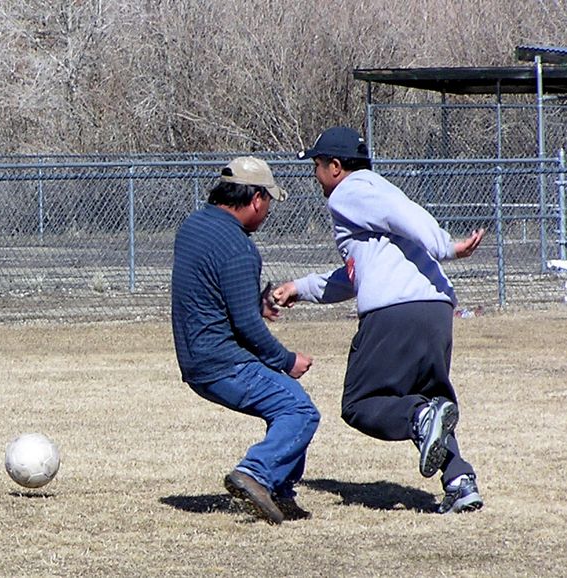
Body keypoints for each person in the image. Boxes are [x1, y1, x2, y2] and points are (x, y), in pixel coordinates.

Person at [272, 127, 484, 514]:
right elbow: (357, 275)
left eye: (317, 165)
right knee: (432, 402)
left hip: (395, 312)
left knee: (361, 403)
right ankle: (460, 481)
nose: (315, 174)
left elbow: (402, 213)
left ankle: (421, 419)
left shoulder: (352, 191)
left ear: (335, 167)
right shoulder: (365, 200)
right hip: (433, 310)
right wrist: (299, 289)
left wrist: (445, 246)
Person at [171, 156, 320, 525]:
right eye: (268, 202)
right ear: (256, 199)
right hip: (223, 362)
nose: (268, 212)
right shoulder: (239, 247)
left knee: (289, 403)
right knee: (300, 412)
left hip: (195, 360)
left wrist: (256, 304)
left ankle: (281, 493)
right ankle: (255, 474)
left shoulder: (194, 226)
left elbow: (212, 293)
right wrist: (287, 360)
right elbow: (246, 328)